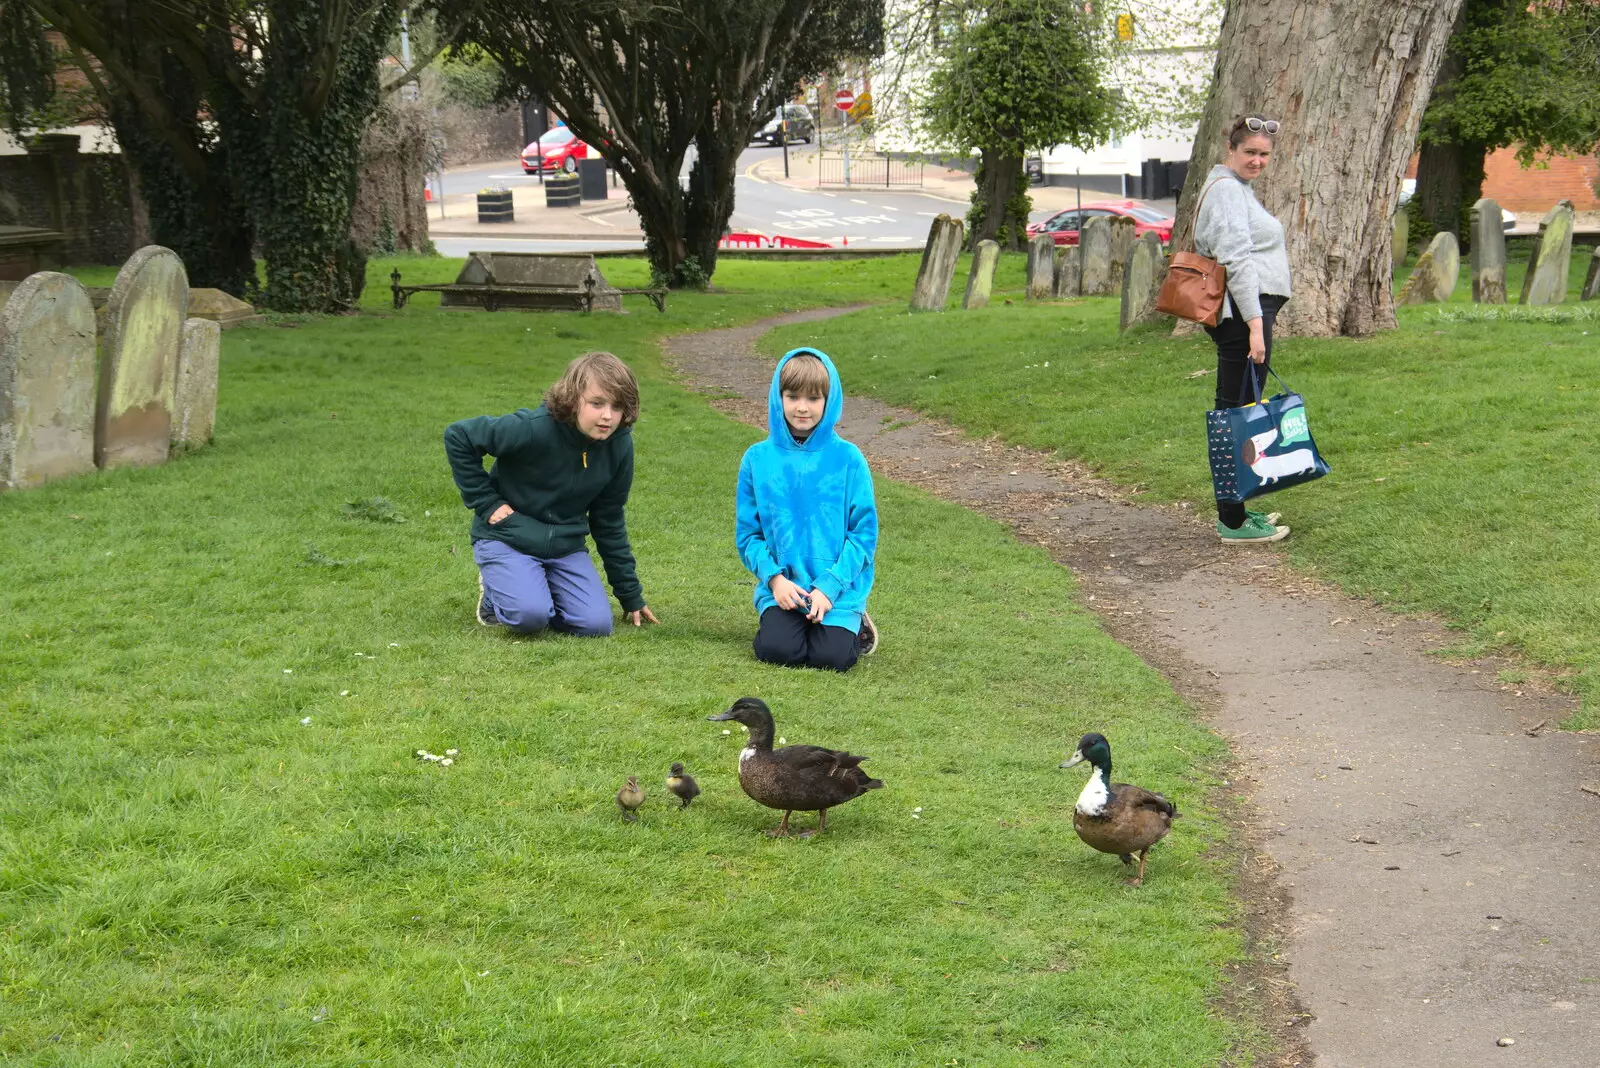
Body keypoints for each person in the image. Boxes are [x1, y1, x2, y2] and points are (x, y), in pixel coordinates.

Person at [444, 351, 659, 636]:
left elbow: (609, 519)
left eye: (617, 407)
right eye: (597, 403)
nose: (608, 416)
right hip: (508, 537)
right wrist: (487, 502)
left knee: (595, 625)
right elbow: (459, 436)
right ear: (572, 400)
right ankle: (495, 596)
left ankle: (534, 587)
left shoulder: (619, 447)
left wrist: (630, 594)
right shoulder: (531, 429)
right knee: (528, 618)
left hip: (563, 547)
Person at [736, 348, 878, 672]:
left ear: (830, 400)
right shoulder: (757, 460)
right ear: (778, 397)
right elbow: (749, 535)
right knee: (777, 650)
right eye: (792, 396)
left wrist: (829, 588)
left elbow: (863, 535)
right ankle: (791, 620)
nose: (802, 407)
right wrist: (774, 581)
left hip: (837, 588)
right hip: (787, 588)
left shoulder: (849, 459)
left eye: (813, 398)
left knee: (832, 658)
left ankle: (853, 620)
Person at [1194, 114, 1294, 544]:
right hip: (1241, 317)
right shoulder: (1228, 192)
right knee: (1234, 415)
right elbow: (1235, 258)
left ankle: (1238, 509)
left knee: (1242, 412)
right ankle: (1231, 521)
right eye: (1250, 152)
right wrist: (1256, 325)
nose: (1257, 160)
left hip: (1244, 315)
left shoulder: (1238, 189)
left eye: (1264, 154)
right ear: (1230, 151)